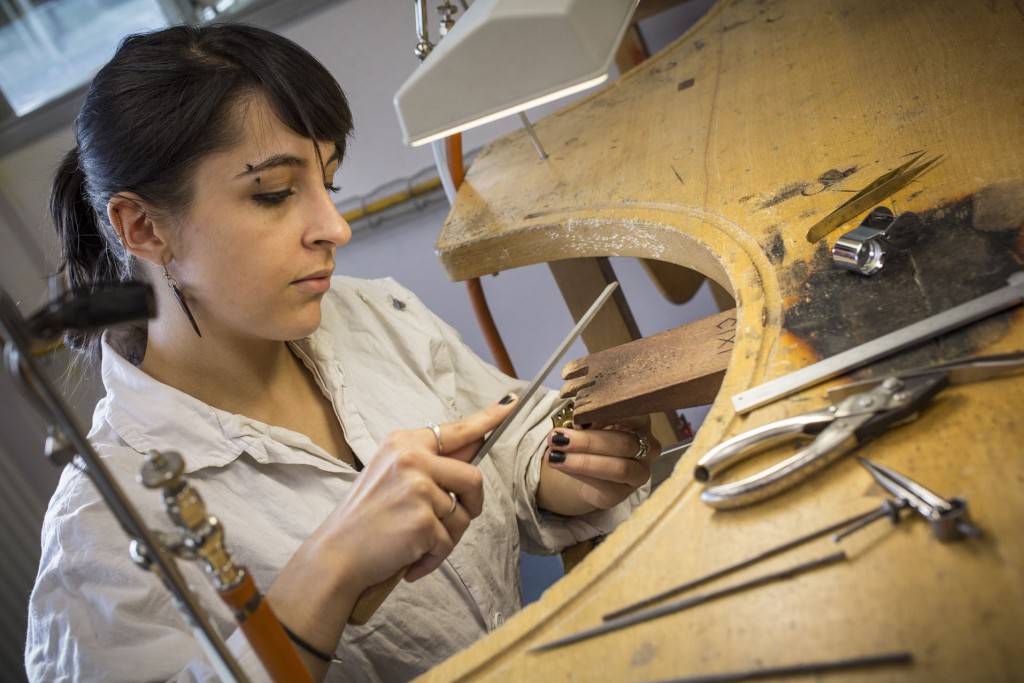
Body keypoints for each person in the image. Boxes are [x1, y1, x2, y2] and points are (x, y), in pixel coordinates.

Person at [24, 22, 659, 682]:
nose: (336, 227)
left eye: (328, 183)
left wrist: (562, 469)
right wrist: (331, 566)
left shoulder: (366, 314)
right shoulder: (101, 531)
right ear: (143, 227)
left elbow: (514, 435)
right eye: (273, 193)